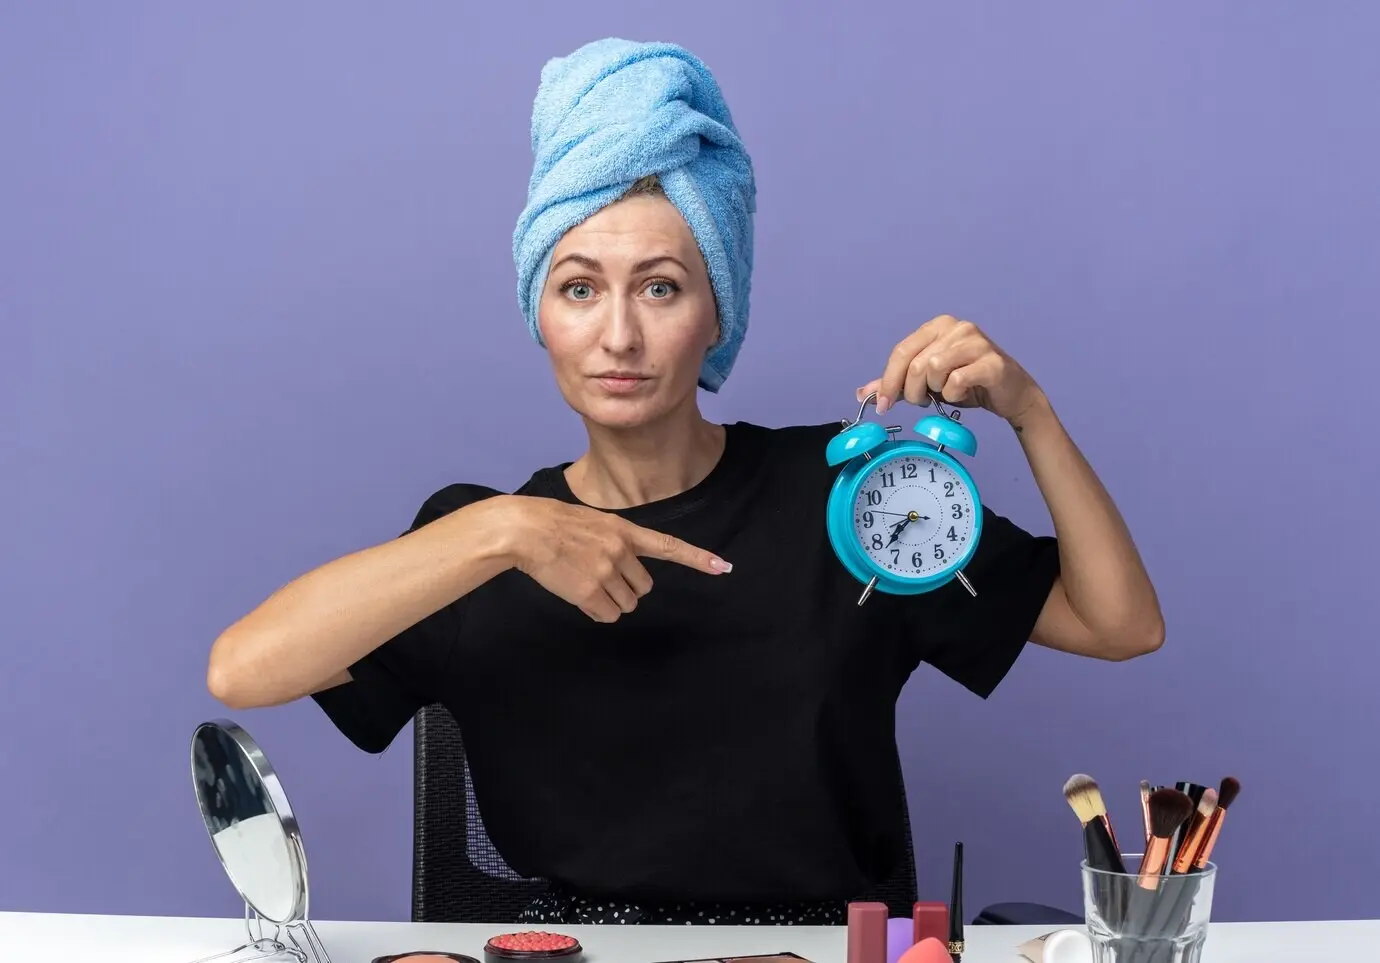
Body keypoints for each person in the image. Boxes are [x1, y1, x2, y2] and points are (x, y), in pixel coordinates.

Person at [206, 38, 1163, 926]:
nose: (618, 335)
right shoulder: (478, 542)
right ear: (540, 313)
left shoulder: (856, 498)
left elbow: (1118, 624)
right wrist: (502, 531)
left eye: (660, 286)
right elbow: (243, 670)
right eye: (579, 288)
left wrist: (1031, 412)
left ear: (718, 313)